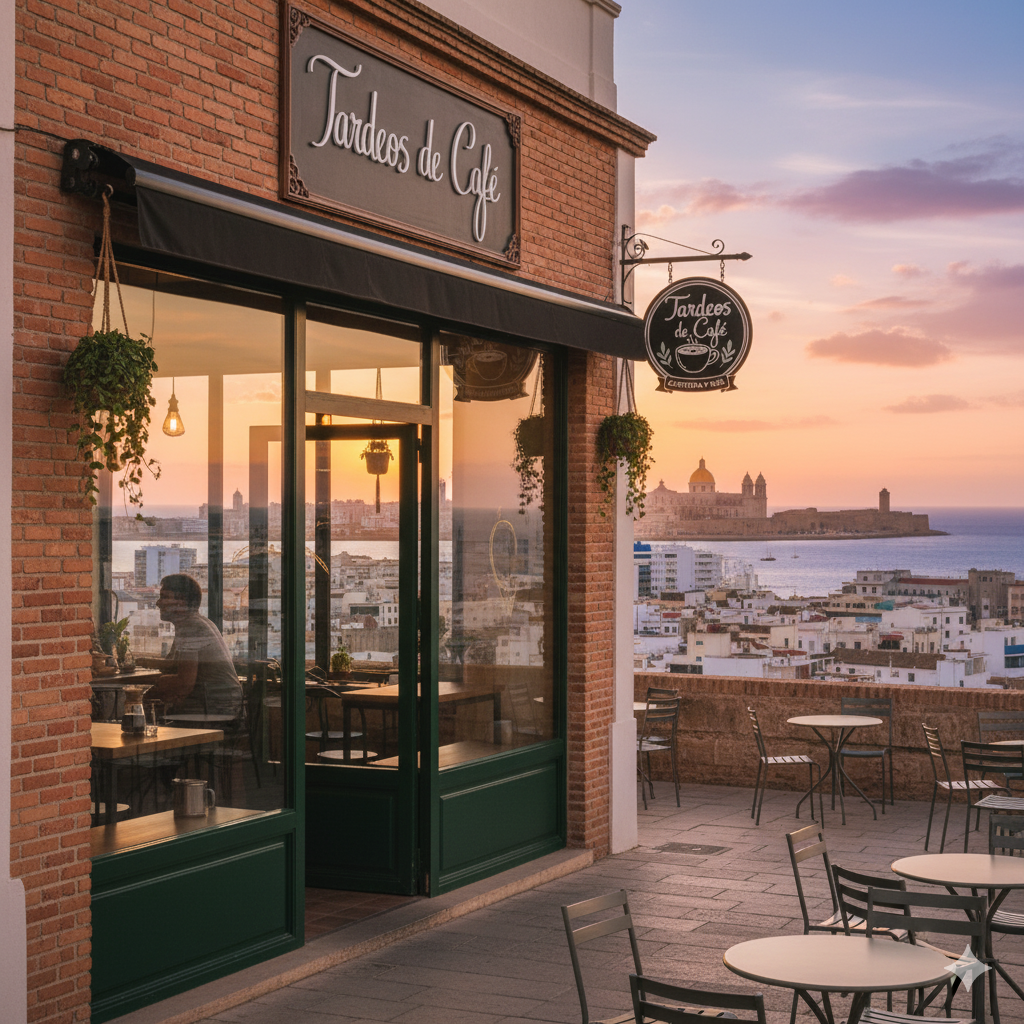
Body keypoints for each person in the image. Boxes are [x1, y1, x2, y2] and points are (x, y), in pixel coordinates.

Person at [147, 574, 242, 720]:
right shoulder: (194, 622)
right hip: (219, 705)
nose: (158, 603)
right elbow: (176, 665)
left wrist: (150, 687)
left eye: (164, 597)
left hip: (213, 707)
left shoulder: (191, 627)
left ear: (181, 602)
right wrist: (145, 662)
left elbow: (184, 683)